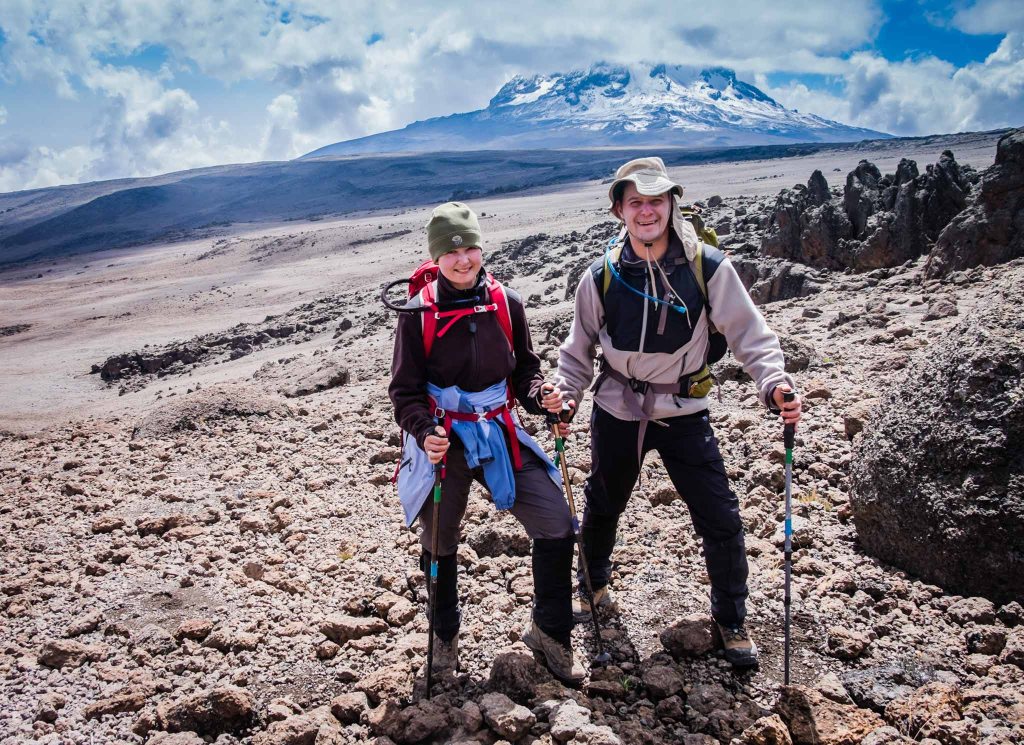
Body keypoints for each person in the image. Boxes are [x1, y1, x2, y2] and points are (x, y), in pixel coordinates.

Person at [554, 158, 802, 667]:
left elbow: (749, 334)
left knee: (720, 517)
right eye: (636, 202)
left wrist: (774, 381)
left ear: (672, 205)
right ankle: (593, 584)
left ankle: (731, 618)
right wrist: (567, 396)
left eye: (656, 201)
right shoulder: (600, 277)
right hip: (618, 406)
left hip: (685, 408)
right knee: (605, 501)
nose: (647, 212)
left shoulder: (706, 266)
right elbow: (577, 351)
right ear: (619, 210)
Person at [389, 201, 585, 684]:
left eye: (470, 247)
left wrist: (543, 398)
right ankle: (444, 637)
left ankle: (551, 631)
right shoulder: (417, 314)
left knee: (557, 522)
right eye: (451, 251)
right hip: (444, 437)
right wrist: (423, 432)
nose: (462, 259)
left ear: (480, 247)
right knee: (439, 540)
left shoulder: (506, 303)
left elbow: (524, 371)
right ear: (436, 257)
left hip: (498, 430)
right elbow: (405, 392)